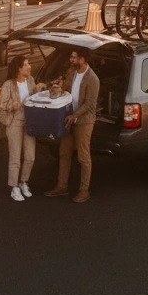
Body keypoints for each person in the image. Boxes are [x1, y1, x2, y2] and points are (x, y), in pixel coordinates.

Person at [45, 47, 100, 203]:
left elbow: (90, 104)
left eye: (74, 57)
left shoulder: (93, 79)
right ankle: (61, 186)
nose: (71, 60)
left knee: (83, 157)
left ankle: (84, 190)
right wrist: (59, 88)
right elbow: (68, 89)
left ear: (82, 59)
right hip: (69, 120)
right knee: (64, 153)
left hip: (83, 121)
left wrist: (75, 115)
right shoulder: (73, 72)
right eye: (71, 57)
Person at [0, 54, 42, 202]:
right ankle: (14, 186)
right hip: (15, 121)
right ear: (18, 68)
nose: (29, 67)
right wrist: (13, 105)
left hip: (29, 121)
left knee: (30, 156)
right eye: (26, 65)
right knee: (15, 156)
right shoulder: (8, 85)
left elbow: (34, 96)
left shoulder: (30, 80)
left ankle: (24, 182)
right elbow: (1, 106)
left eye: (28, 64)